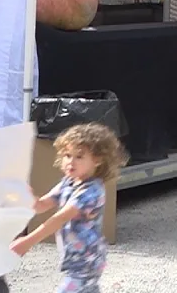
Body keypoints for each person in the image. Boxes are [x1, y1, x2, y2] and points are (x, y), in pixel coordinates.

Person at [11, 123, 127, 293]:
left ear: (97, 160)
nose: (70, 162)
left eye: (79, 157)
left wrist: (28, 242)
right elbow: (41, 206)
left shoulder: (91, 191)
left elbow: (60, 218)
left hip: (87, 261)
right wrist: (27, 197)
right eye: (67, 155)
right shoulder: (68, 182)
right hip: (75, 259)